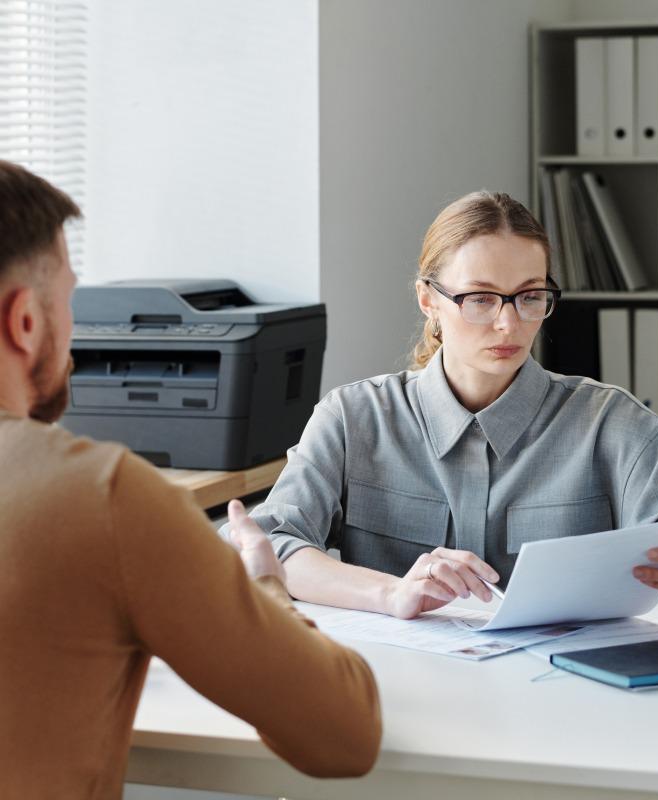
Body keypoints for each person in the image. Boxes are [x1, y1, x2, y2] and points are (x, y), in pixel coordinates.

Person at [0, 160, 381, 798]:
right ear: (26, 322)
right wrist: (267, 587)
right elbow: (344, 734)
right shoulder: (103, 497)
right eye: (66, 300)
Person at [226, 191, 658, 618]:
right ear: (429, 299)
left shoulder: (614, 424)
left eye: (529, 297)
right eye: (480, 299)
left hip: (571, 704)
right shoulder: (353, 418)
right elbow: (271, 544)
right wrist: (391, 593)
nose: (509, 324)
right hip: (406, 695)